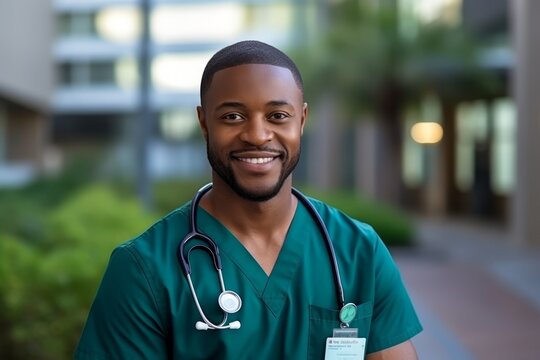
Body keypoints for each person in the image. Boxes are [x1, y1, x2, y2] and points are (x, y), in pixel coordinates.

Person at [75, 40, 422, 359]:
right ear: (204, 123)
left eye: (277, 116)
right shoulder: (144, 269)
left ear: (302, 120)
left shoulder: (359, 250)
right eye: (233, 116)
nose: (257, 135)